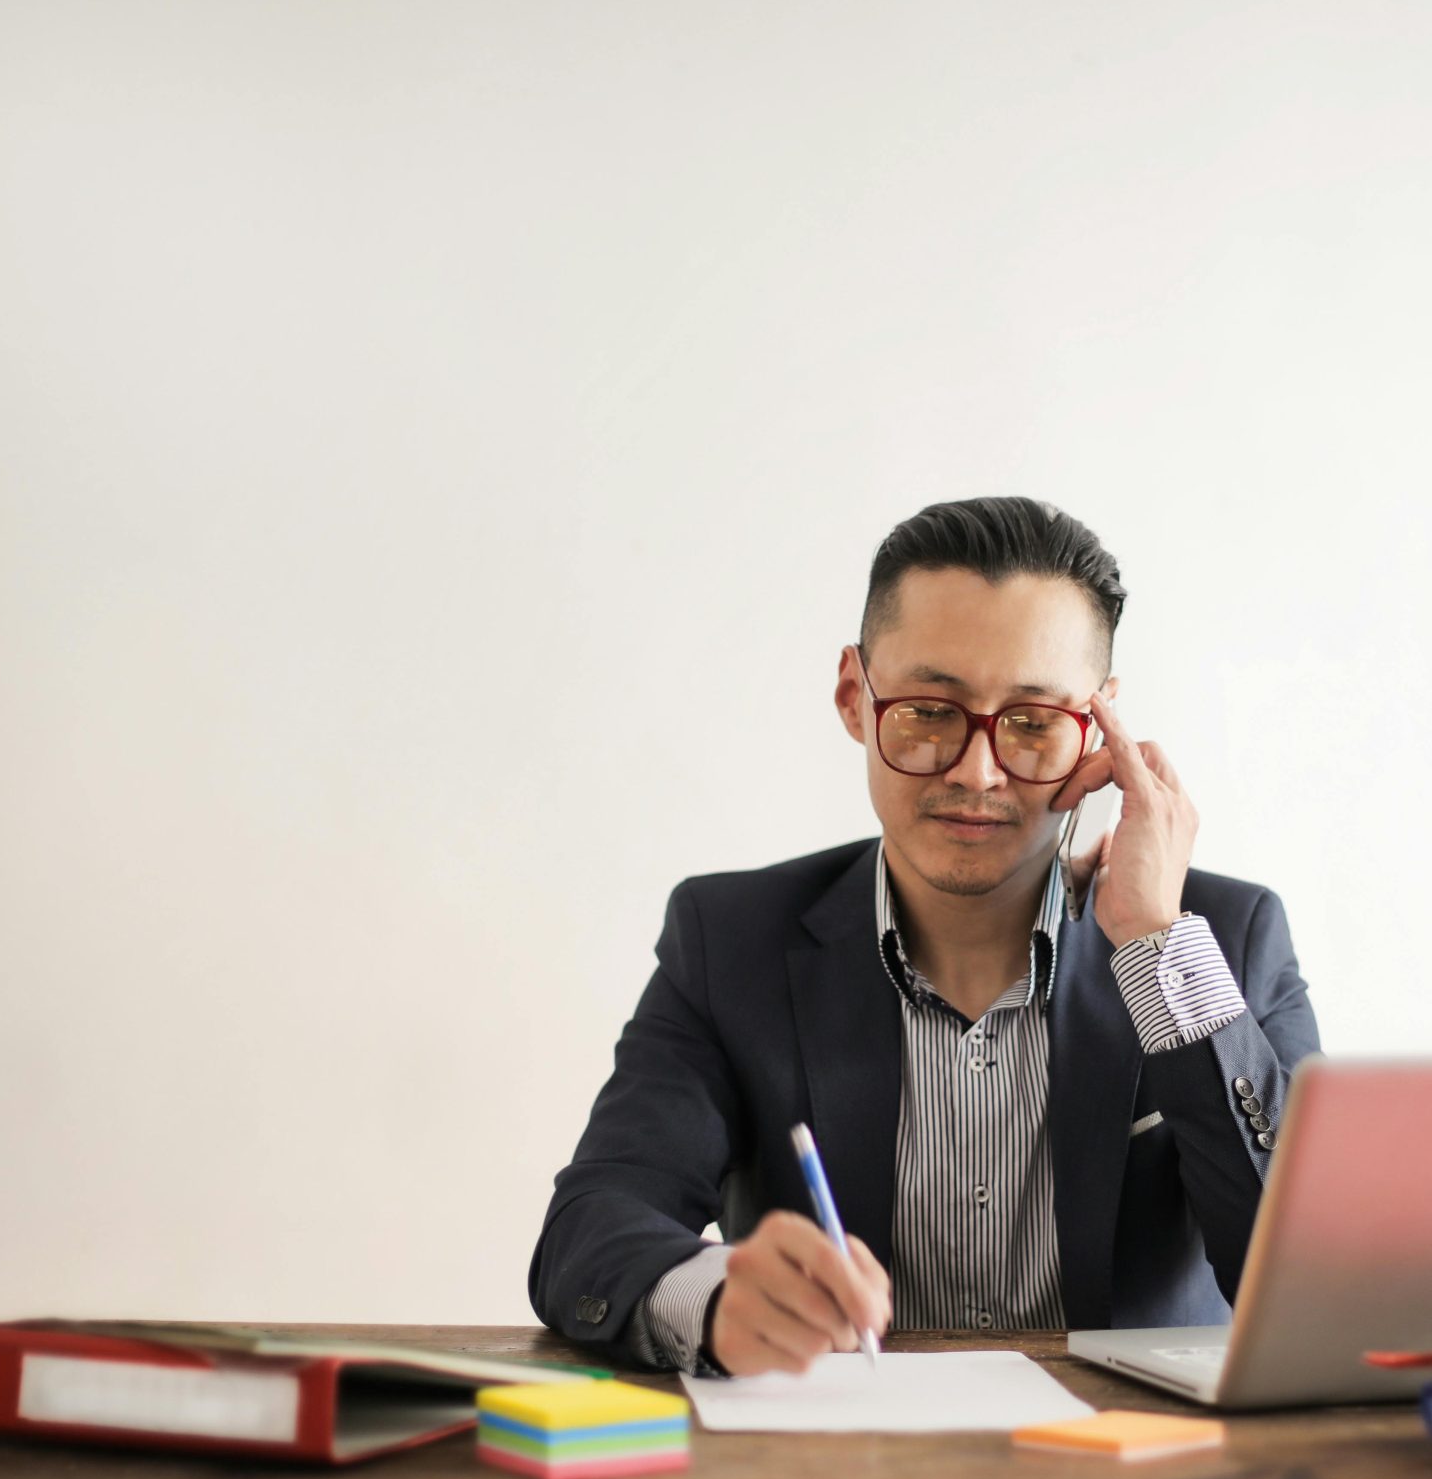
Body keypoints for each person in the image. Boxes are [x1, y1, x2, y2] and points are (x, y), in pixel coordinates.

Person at [527, 497, 1319, 1375]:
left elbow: (1314, 1285)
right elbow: (591, 1226)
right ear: (853, 697)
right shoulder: (731, 942)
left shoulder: (1227, 941)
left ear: (1099, 729)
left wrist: (1157, 948)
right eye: (930, 711)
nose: (977, 772)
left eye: (1030, 722)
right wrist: (712, 1295)